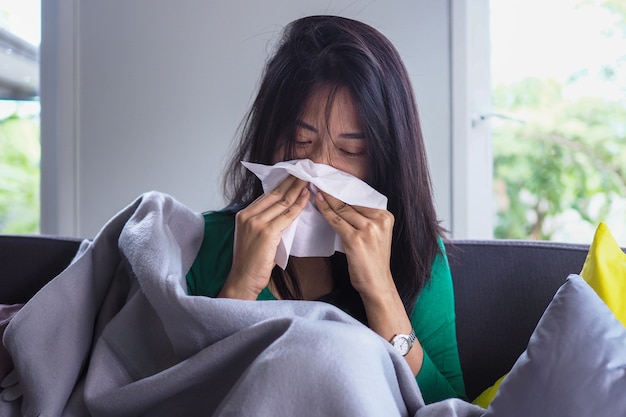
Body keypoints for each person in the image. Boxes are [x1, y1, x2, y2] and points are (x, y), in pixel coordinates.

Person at [186, 15, 466, 404]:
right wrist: (240, 289)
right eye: (301, 142)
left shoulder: (416, 254)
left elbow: (449, 409)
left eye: (351, 151)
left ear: (387, 161)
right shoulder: (209, 241)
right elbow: (180, 396)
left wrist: (381, 292)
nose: (319, 170)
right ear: (269, 140)